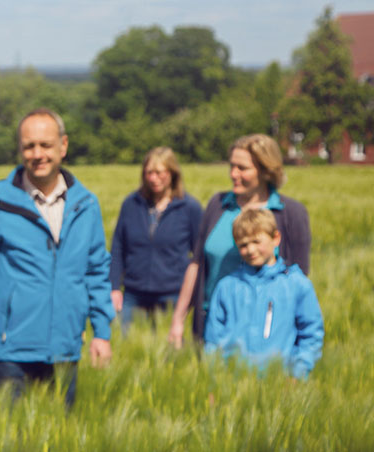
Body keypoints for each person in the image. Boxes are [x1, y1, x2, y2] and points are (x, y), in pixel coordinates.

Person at [0, 108, 113, 407]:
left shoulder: (86, 206)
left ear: (63, 146)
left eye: (46, 145)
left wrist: (102, 332)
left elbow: (97, 271)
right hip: (8, 354)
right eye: (29, 146)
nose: (37, 154)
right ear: (20, 149)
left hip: (65, 349)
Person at [169, 134, 311, 348]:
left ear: (265, 170)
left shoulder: (291, 214)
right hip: (210, 324)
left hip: (265, 333)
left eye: (242, 168)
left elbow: (299, 279)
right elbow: (197, 263)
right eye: (232, 166)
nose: (233, 174)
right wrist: (178, 319)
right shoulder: (218, 205)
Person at [203, 208, 324, 379]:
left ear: (276, 238)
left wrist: (298, 374)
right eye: (243, 245)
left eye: (256, 241)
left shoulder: (297, 285)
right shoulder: (226, 287)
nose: (251, 250)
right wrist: (214, 378)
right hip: (233, 382)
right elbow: (213, 340)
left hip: (280, 383)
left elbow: (311, 334)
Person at [109, 147, 202, 335]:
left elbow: (199, 254)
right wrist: (114, 287)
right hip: (134, 293)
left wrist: (192, 296)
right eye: (149, 173)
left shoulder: (189, 207)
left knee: (169, 355)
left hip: (172, 293)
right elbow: (118, 247)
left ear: (172, 174)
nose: (153, 178)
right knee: (127, 349)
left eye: (159, 172)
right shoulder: (131, 204)